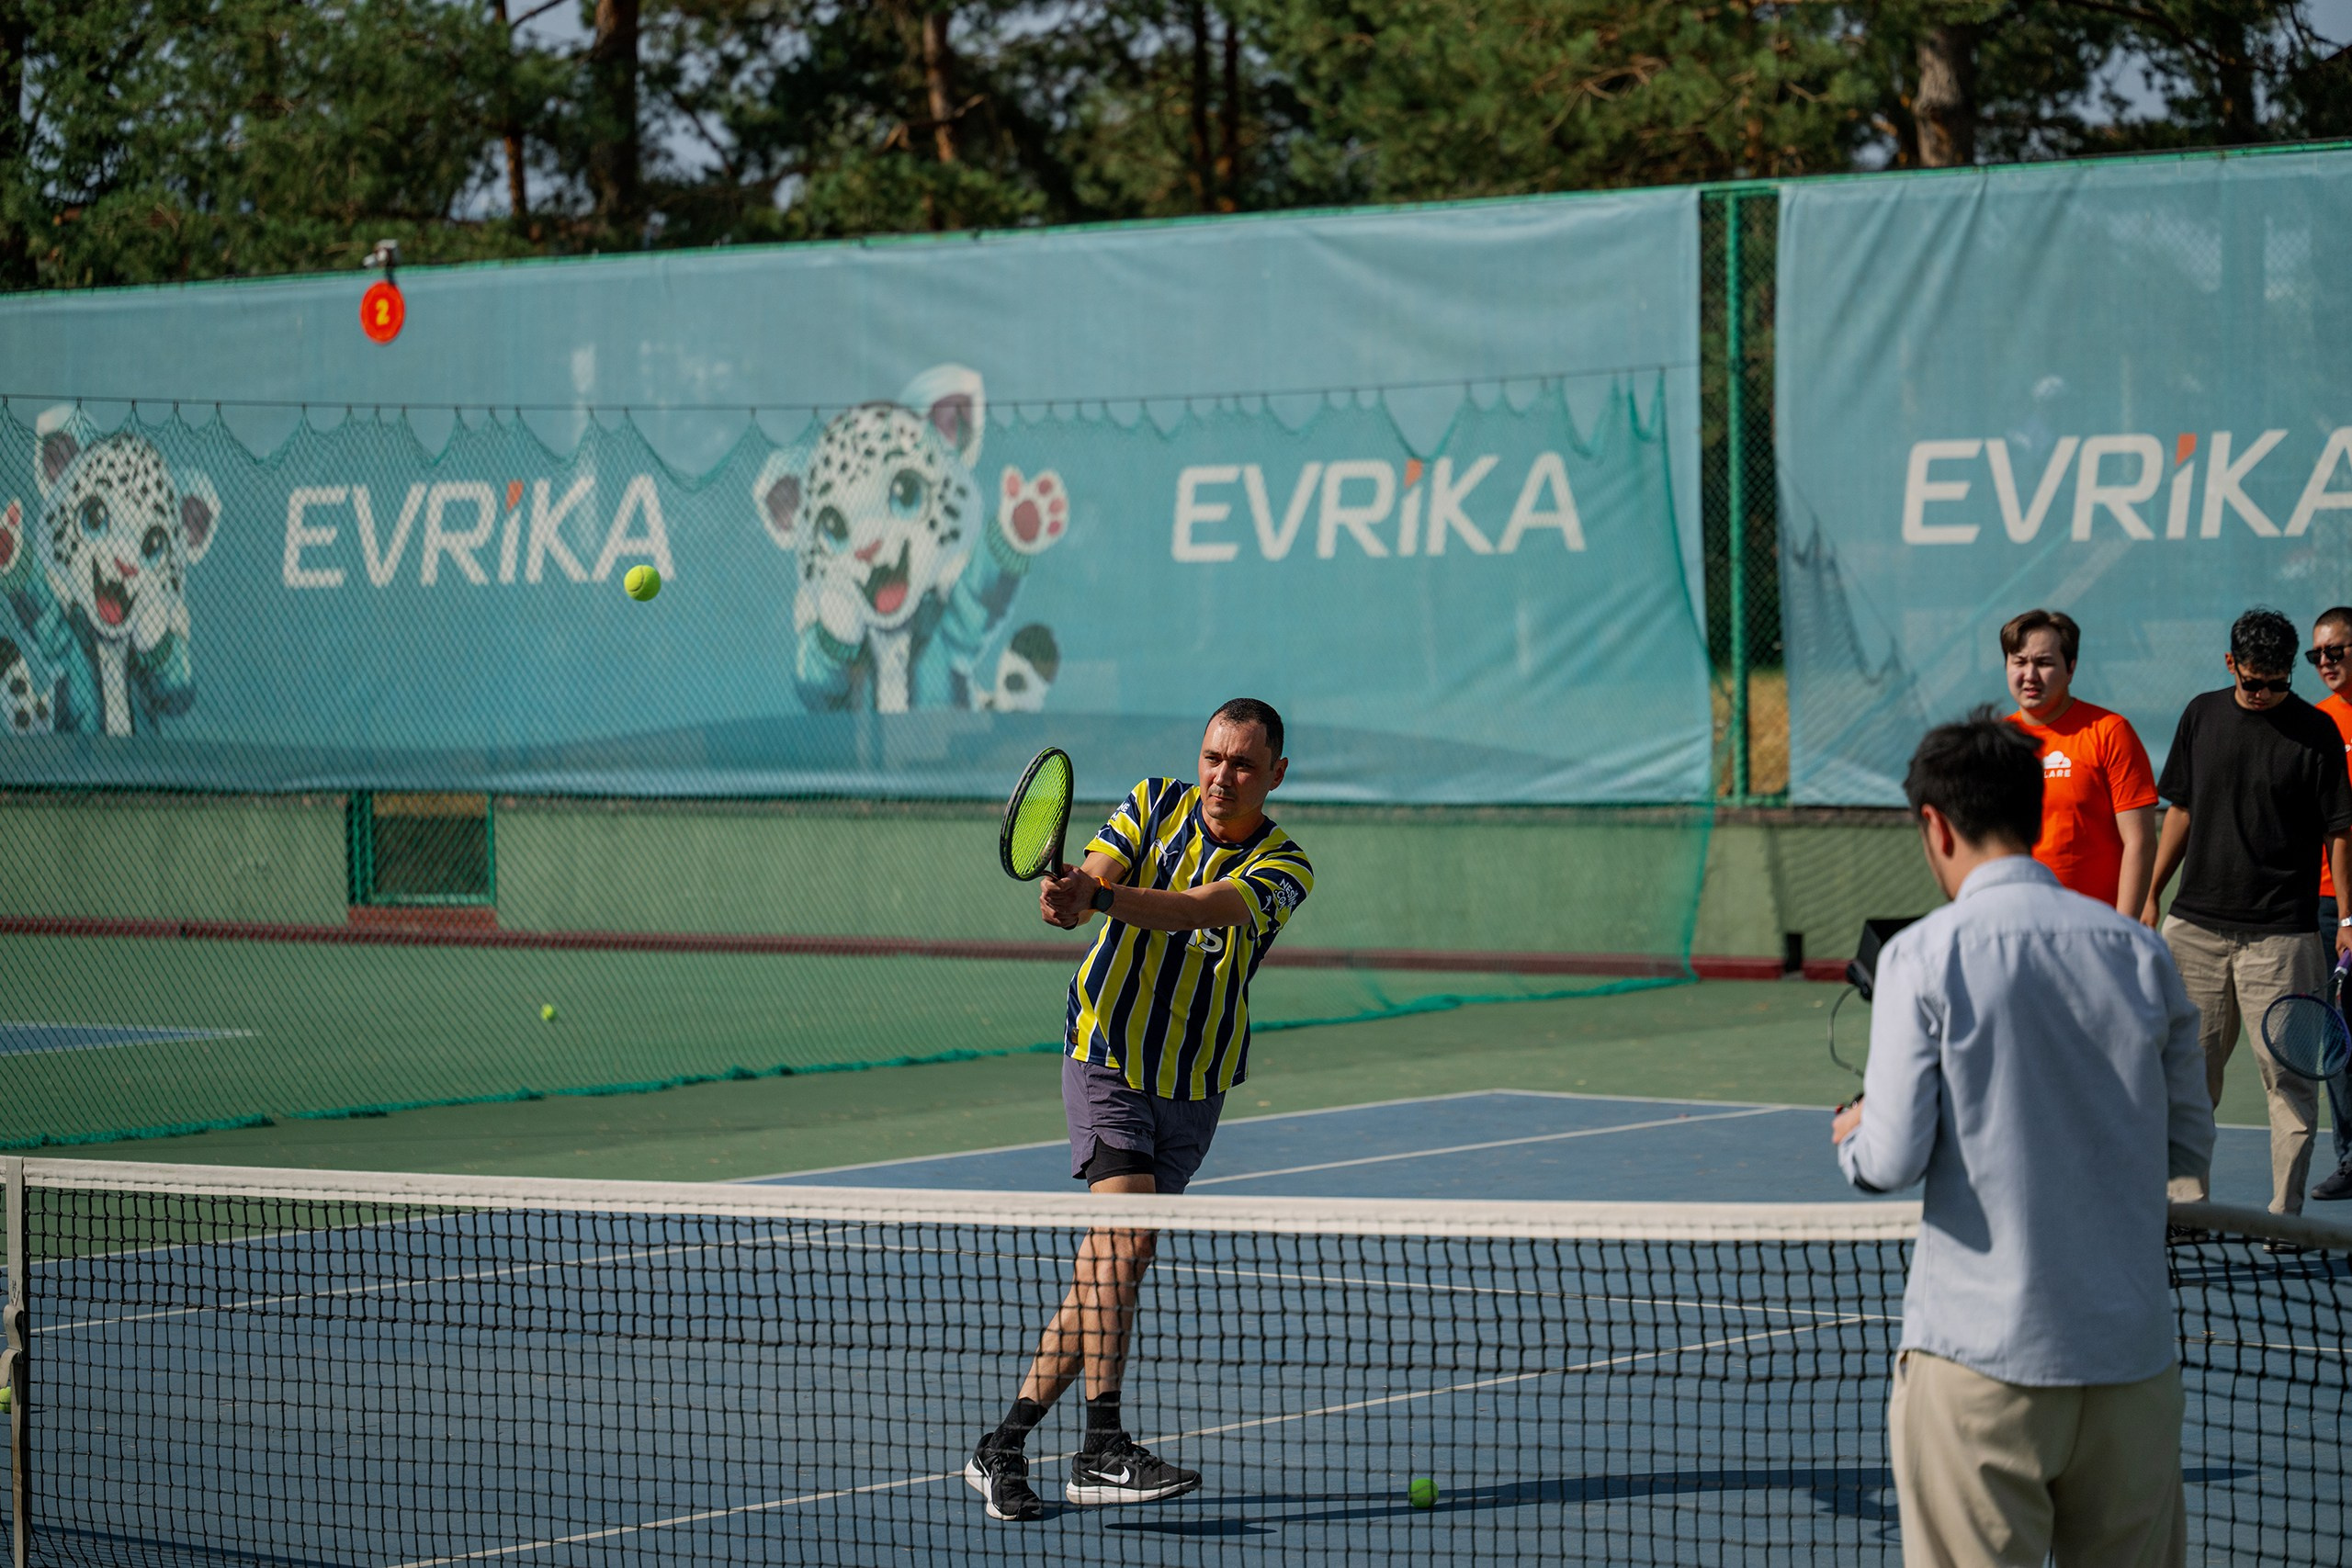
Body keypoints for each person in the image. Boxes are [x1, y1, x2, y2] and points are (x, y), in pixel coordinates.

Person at [1834, 711, 2211, 1568]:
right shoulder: (2142, 955)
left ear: (1934, 825)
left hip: (1981, 1361)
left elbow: (1888, 1158)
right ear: (2039, 813)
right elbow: (2186, 1148)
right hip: (2131, 1362)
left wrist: (1855, 1136)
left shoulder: (1921, 957)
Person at [966, 698, 1314, 1522]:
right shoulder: (1153, 801)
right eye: (1213, 756)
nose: (1222, 776)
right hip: (1108, 1054)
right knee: (1120, 1247)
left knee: (1111, 1266)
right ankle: (1102, 1443)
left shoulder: (1285, 865)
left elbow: (1201, 909)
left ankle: (1004, 1443)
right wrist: (1075, 893)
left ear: (1275, 775)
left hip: (1196, 1081)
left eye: (1242, 765)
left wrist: (1101, 902)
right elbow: (1096, 870)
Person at [2143, 607, 2352, 1215]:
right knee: (2187, 1077)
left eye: (2278, 682)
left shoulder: (2315, 733)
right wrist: (2154, 889)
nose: (2264, 694)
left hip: (2283, 940)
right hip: (2195, 931)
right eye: (2252, 681)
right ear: (2231, 664)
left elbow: (2341, 832)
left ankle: (2286, 1216)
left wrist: (2346, 919)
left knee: (2288, 1082)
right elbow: (2179, 809)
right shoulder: (2200, 714)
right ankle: (2186, 1209)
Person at [1998, 608, 2158, 916]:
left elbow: (2140, 842)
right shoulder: (1995, 742)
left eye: (2044, 663)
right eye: (2019, 661)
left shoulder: (2110, 732)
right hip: (2018, 922)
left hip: (2094, 929)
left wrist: (2122, 930)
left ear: (2071, 668)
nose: (2029, 675)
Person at [2304, 606, 2352, 1201]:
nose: (2325, 662)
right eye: (2318, 654)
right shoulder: (2313, 723)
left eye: (2336, 649)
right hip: (2321, 904)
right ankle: (2349, 1155)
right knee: (2340, 1035)